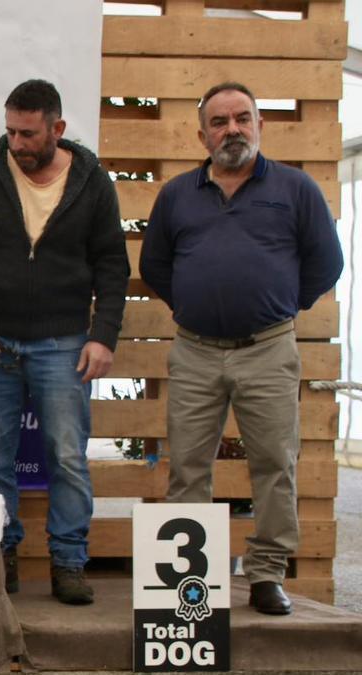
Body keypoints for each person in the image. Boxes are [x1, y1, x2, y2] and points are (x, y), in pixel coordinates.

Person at [139, 81, 343, 616]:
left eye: (243, 118)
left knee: (275, 463)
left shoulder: (296, 189)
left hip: (268, 350)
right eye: (221, 122)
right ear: (202, 134)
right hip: (196, 351)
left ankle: (266, 575)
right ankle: (191, 586)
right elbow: (155, 267)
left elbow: (327, 264)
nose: (233, 129)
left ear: (260, 125)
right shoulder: (177, 194)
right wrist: (193, 306)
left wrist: (279, 305)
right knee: (187, 466)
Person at [0, 79, 128, 605]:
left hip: (65, 343)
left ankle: (69, 564)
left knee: (67, 457)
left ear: (57, 129)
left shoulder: (93, 183)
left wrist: (104, 336)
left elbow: (113, 265)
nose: (16, 144)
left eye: (28, 133)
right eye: (10, 132)